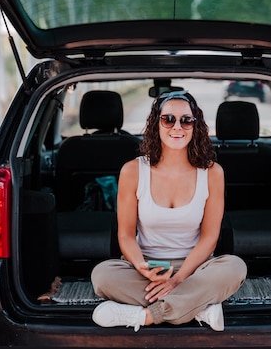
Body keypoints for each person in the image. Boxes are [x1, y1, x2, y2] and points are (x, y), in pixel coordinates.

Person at [91, 90, 247, 332]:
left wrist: (179, 279)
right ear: (156, 124)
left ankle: (146, 316)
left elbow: (209, 239)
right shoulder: (132, 171)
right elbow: (125, 236)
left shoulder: (213, 172)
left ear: (196, 125)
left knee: (235, 267)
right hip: (146, 270)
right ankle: (199, 308)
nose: (177, 127)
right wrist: (143, 267)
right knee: (102, 275)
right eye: (168, 119)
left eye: (186, 120)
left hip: (196, 270)